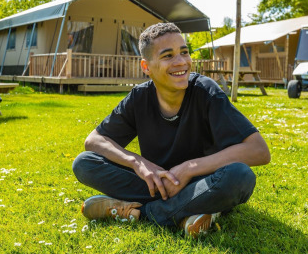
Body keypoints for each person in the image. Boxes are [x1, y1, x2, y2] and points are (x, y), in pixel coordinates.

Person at [72, 22, 270, 238]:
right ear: (146, 67)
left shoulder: (207, 91)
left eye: (184, 52)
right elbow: (94, 140)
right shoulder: (139, 97)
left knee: (240, 175)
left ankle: (141, 212)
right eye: (168, 56)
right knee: (84, 163)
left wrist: (189, 169)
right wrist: (138, 163)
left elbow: (259, 150)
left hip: (203, 182)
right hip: (156, 184)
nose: (181, 62)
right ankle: (189, 212)